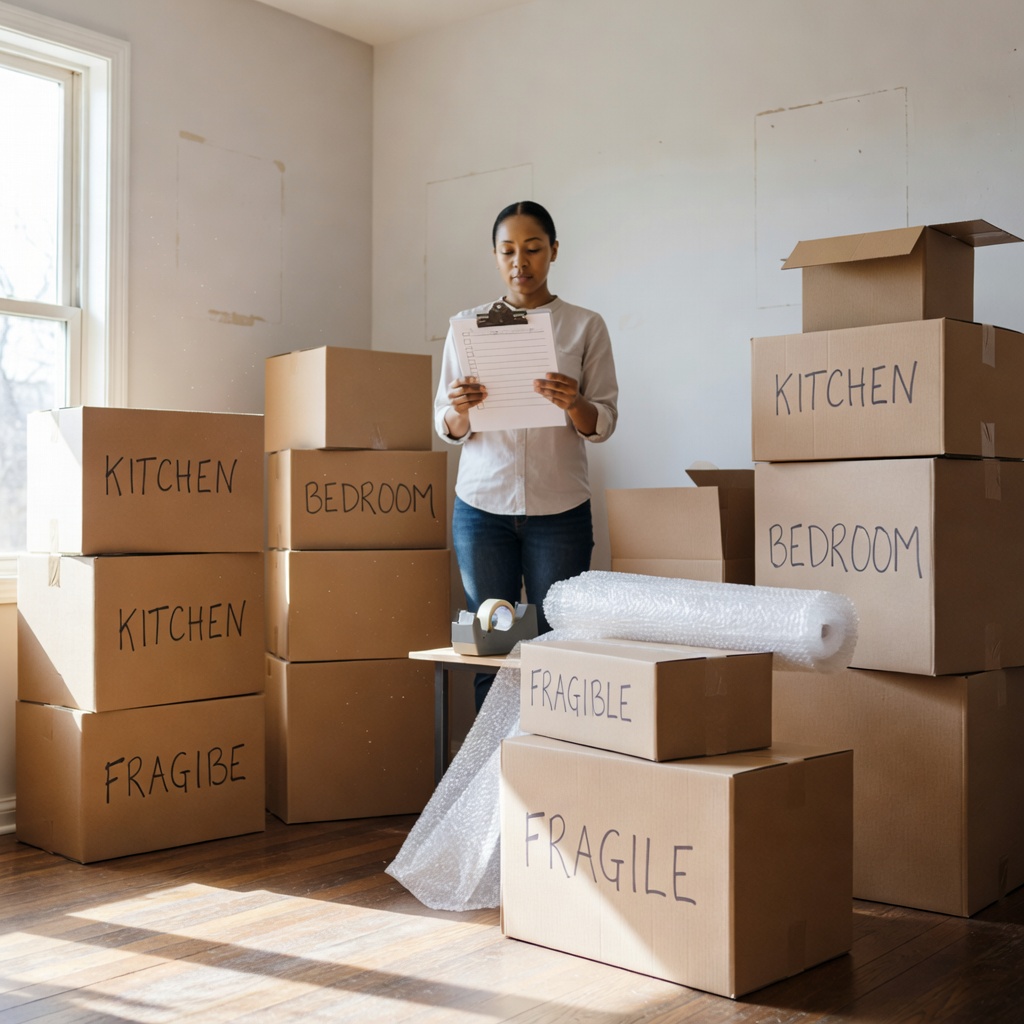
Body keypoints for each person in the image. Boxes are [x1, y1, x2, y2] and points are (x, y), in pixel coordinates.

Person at [433, 200, 619, 710]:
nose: (521, 261)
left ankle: (546, 768)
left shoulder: (584, 326)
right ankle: (489, 781)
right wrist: (461, 410)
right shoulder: (466, 327)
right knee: (488, 654)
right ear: (495, 257)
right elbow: (445, 424)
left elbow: (602, 423)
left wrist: (574, 402)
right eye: (509, 250)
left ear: (554, 251)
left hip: (559, 511)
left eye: (534, 248)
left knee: (557, 649)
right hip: (481, 506)